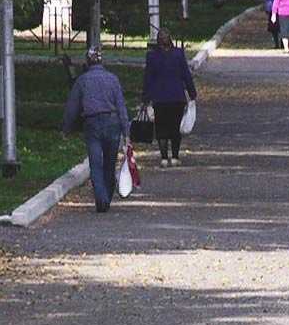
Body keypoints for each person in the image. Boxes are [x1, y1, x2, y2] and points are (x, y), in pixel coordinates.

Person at [63, 47, 129, 213]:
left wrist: (66, 128)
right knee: (110, 162)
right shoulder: (112, 79)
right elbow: (121, 106)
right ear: (101, 61)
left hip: (92, 124)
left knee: (95, 163)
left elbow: (73, 107)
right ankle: (106, 193)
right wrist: (126, 132)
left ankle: (101, 199)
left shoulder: (82, 81)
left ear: (87, 62)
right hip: (113, 122)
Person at [142, 29, 197, 168]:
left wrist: (145, 97)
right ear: (170, 39)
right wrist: (192, 93)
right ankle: (175, 157)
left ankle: (164, 158)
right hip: (177, 97)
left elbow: (148, 78)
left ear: (158, 40)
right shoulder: (178, 54)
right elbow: (186, 75)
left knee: (161, 128)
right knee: (175, 128)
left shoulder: (152, 56)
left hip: (159, 98)